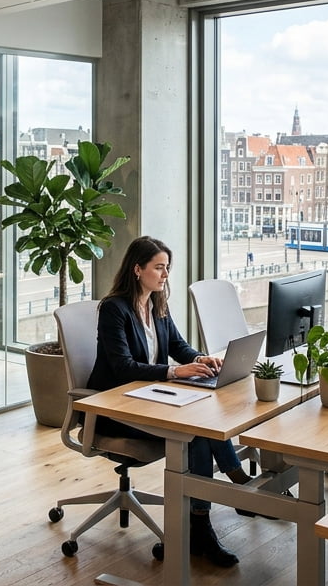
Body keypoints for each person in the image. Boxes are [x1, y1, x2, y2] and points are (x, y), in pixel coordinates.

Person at [87, 236, 252, 568]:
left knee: (202, 426)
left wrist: (201, 359)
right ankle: (231, 494)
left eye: (167, 268)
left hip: (152, 400)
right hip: (116, 410)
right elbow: (122, 368)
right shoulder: (114, 309)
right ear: (137, 269)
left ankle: (204, 521)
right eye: (159, 268)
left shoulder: (157, 304)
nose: (165, 276)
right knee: (197, 436)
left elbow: (179, 345)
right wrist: (176, 372)